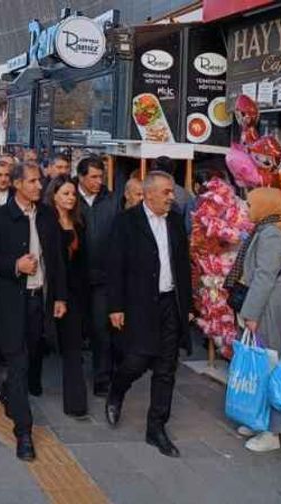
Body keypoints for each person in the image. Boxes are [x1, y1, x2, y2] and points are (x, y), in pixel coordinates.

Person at [0, 161, 67, 461]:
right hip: (11, 302)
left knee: (29, 360)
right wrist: (14, 266)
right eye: (31, 181)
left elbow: (56, 260)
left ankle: (9, 392)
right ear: (17, 184)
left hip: (39, 301)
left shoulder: (46, 216)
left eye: (39, 181)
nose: (38, 186)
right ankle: (24, 431)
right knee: (17, 362)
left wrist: (59, 297)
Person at [105, 171, 192, 458]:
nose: (172, 197)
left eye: (172, 192)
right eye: (167, 192)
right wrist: (115, 306)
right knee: (137, 360)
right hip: (139, 304)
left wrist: (187, 307)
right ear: (149, 193)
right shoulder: (127, 222)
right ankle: (117, 390)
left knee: (167, 367)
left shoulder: (177, 221)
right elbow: (114, 266)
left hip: (170, 304)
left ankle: (156, 428)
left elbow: (182, 267)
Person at [231, 188, 281, 452]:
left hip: (270, 306)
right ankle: (259, 419)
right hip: (267, 303)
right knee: (261, 363)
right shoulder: (266, 230)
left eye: (250, 203)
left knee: (269, 364)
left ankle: (272, 431)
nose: (246, 208)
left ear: (266, 206)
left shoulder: (270, 235)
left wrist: (251, 314)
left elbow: (264, 277)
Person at [44, 175, 89, 419]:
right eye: (65, 194)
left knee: (73, 348)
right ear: (54, 196)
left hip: (75, 293)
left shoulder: (80, 223)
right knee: (36, 343)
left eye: (73, 194)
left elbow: (84, 261)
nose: (71, 198)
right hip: (48, 291)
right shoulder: (45, 222)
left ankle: (76, 403)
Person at [76, 156, 120, 397]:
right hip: (77, 276)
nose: (97, 181)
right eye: (92, 177)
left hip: (103, 277)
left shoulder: (112, 200)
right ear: (81, 177)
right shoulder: (70, 198)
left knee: (101, 328)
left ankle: (102, 377)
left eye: (100, 177)